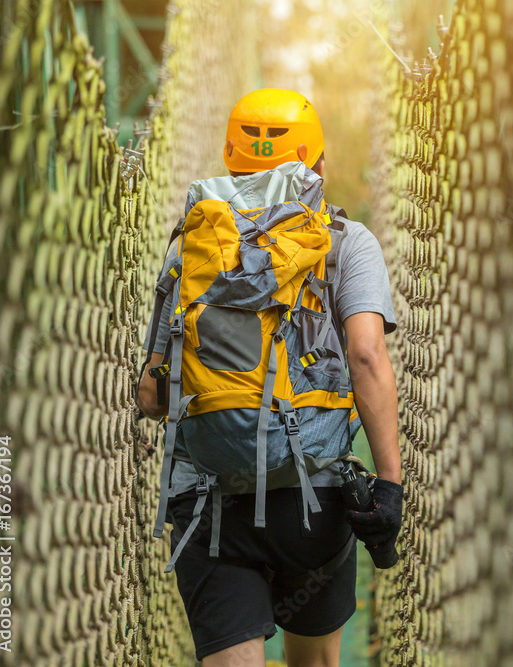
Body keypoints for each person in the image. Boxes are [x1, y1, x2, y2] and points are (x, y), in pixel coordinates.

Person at [136, 88, 402, 667]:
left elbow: (152, 394)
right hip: (313, 497)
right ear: (319, 166)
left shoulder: (193, 247)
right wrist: (389, 483)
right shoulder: (345, 243)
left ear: (230, 160)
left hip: (209, 502)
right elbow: (366, 357)